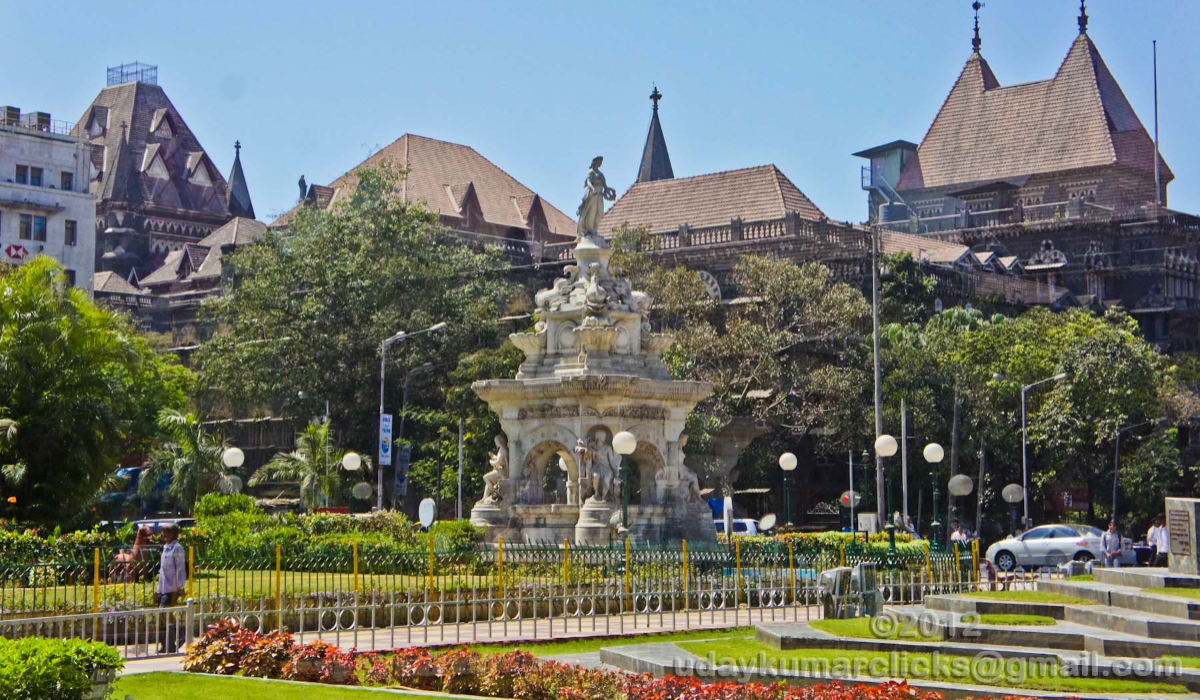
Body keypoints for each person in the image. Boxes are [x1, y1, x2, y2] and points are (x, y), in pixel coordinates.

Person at [156, 523, 187, 652]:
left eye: (166, 532)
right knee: (163, 616)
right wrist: (158, 590)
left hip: (172, 588)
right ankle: (168, 644)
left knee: (165, 614)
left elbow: (180, 568)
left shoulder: (177, 548)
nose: (163, 535)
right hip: (164, 588)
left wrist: (180, 587)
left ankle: (179, 636)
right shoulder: (166, 548)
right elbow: (162, 571)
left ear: (172, 534)